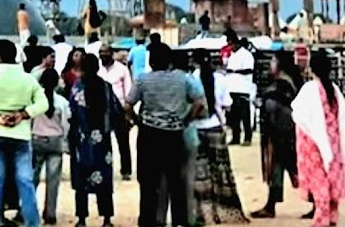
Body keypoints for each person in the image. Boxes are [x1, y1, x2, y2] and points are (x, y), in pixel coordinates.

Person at [126, 42, 205, 227]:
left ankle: (148, 220)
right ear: (169, 61)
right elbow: (199, 102)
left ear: (151, 62)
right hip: (173, 133)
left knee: (148, 181)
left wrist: (137, 121)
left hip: (149, 134)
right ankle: (179, 220)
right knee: (176, 180)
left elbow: (127, 105)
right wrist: (185, 119)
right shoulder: (182, 79)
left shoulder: (142, 80)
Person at [0, 39, 48, 227]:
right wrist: (23, 114)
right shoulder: (27, 78)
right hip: (21, 136)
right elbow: (43, 104)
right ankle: (32, 222)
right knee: (25, 183)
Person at [292, 51, 345, 227]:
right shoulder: (334, 90)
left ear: (312, 68)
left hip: (313, 142)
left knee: (319, 180)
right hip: (333, 141)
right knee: (331, 177)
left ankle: (321, 219)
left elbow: (299, 114)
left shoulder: (310, 89)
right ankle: (332, 216)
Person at [191, 48, 248, 223]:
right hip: (216, 128)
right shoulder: (221, 79)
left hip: (197, 129)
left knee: (200, 175)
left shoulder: (192, 79)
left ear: (194, 61)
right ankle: (225, 212)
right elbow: (227, 105)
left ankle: (203, 214)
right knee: (221, 171)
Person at [68, 54, 121, 227]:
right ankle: (106, 219)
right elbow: (115, 111)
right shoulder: (105, 87)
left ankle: (82, 218)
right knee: (104, 179)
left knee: (81, 179)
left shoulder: (77, 88)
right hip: (102, 141)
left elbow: (71, 113)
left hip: (82, 139)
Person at [252, 51, 301, 219]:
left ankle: (319, 201)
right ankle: (270, 205)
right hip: (282, 133)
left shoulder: (281, 87)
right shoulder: (287, 84)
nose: (270, 65)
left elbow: (279, 113)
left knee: (293, 170)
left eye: (273, 61)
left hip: (280, 134)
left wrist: (278, 135)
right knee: (279, 171)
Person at [31, 68, 69, 226]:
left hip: (37, 139)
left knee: (32, 179)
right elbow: (65, 124)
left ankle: (28, 210)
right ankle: (50, 213)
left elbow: (30, 120)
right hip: (55, 141)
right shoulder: (62, 102)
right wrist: (65, 141)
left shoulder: (34, 100)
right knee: (53, 181)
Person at [97, 44, 134, 182]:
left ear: (111, 54)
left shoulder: (122, 69)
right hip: (101, 108)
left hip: (119, 108)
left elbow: (128, 90)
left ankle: (126, 171)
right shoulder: (98, 70)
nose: (103, 55)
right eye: (101, 52)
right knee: (103, 141)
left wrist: (128, 113)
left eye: (105, 52)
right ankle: (104, 168)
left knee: (123, 141)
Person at [224, 36, 255, 146]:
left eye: (231, 44)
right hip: (232, 88)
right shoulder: (232, 55)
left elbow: (249, 70)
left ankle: (247, 137)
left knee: (245, 115)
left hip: (243, 88)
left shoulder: (246, 55)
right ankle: (235, 137)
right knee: (234, 116)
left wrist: (235, 71)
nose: (230, 47)